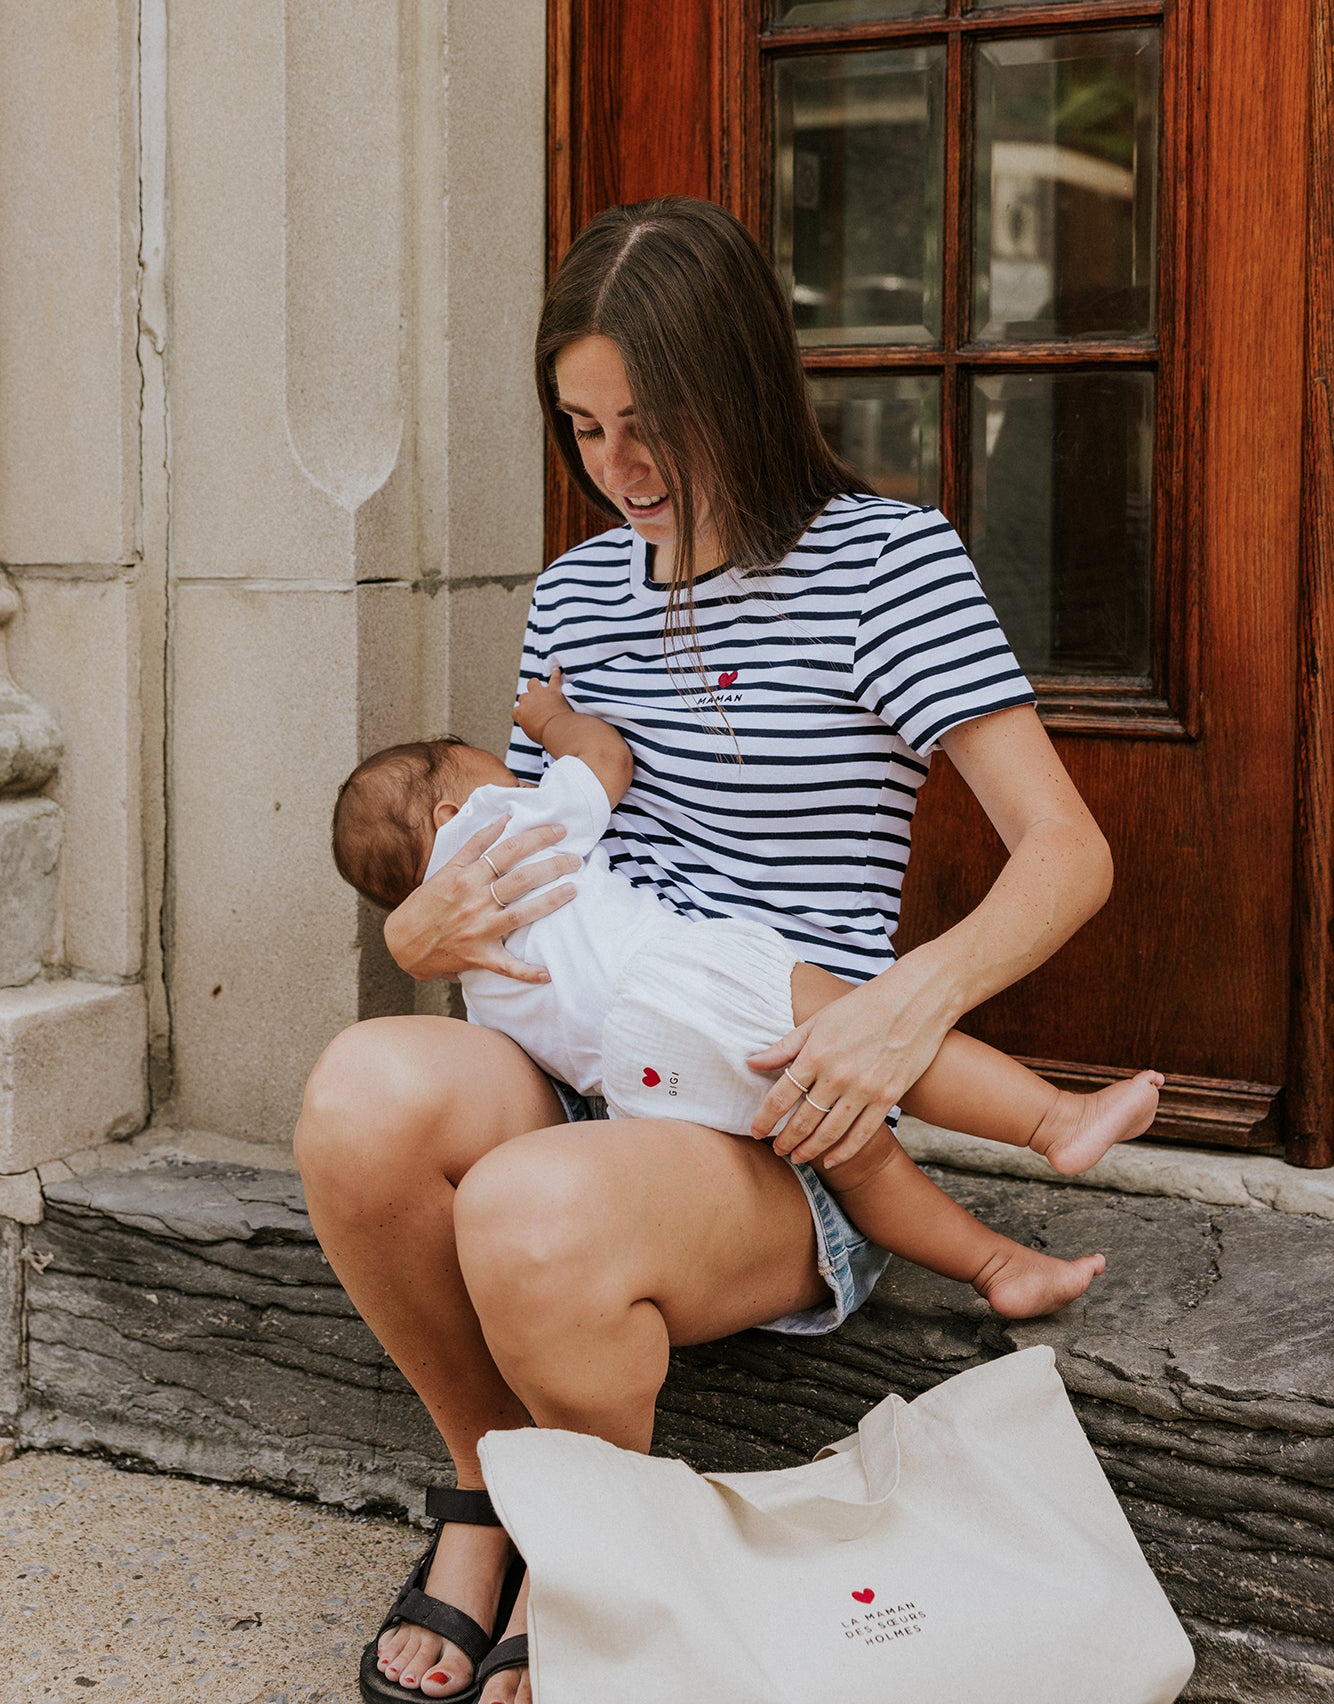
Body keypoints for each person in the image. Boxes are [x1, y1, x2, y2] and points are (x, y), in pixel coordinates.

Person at [294, 197, 1120, 1704]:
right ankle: (487, 1492)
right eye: (584, 427)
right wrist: (424, 930)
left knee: (535, 1212)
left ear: (743, 381)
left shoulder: (888, 564)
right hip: (591, 1061)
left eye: (651, 422)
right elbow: (534, 860)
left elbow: (1068, 853)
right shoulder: (578, 593)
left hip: (776, 1115)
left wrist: (895, 1014)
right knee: (359, 1092)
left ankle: (592, 1563)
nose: (621, 470)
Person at [330, 679, 1161, 1322]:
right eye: (492, 768)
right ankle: (1054, 1120)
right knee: (870, 1036)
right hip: (681, 980)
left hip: (633, 1089)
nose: (513, 772)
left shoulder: (474, 970)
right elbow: (604, 760)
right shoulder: (508, 830)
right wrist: (552, 720)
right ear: (455, 809)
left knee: (845, 1149)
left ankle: (997, 1268)